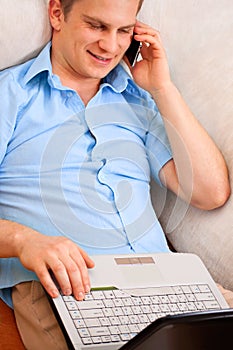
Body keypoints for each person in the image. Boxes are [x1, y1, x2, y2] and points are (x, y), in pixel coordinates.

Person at [0, 0, 231, 349]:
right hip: (71, 286)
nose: (110, 46)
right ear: (57, 13)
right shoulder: (10, 95)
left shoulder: (138, 100)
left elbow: (211, 192)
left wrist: (162, 88)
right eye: (96, 26)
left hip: (172, 282)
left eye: (123, 31)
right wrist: (24, 241)